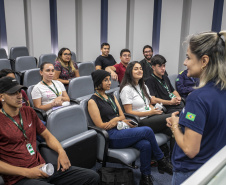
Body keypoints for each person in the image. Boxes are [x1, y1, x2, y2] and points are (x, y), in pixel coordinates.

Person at [0, 76, 99, 185]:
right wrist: (27, 172)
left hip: (42, 168)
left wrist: (61, 151)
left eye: (19, 91)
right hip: (20, 178)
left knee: (91, 177)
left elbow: (48, 136)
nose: (19, 96)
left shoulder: (28, 111)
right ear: (2, 97)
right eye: (13, 93)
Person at [88, 70, 172, 185]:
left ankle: (145, 177)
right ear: (98, 82)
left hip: (121, 129)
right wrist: (117, 120)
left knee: (145, 145)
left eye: (109, 79)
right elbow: (101, 125)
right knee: (147, 130)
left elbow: (122, 115)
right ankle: (161, 160)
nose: (109, 82)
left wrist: (116, 120)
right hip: (111, 136)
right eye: (105, 80)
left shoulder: (111, 96)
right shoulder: (93, 101)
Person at [166, 31, 226, 185]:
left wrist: (174, 126)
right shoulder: (221, 90)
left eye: (188, 57)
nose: (185, 63)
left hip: (190, 172)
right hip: (213, 168)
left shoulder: (197, 98)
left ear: (204, 60)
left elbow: (189, 149)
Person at [120, 61, 174, 152]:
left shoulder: (143, 86)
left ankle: (173, 159)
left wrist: (154, 109)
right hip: (141, 121)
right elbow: (128, 112)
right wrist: (150, 112)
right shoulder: (126, 89)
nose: (140, 71)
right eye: (136, 69)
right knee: (174, 116)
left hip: (152, 117)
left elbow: (148, 104)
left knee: (174, 130)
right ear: (130, 72)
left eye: (141, 69)